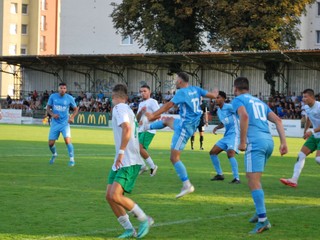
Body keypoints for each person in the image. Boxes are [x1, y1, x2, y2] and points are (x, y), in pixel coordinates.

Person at [144, 72, 218, 198]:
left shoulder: (182, 92)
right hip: (188, 123)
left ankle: (187, 184)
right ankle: (145, 127)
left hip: (185, 128)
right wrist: (215, 91)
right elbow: (213, 95)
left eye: (176, 79)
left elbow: (169, 105)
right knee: (167, 120)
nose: (175, 81)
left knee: (174, 158)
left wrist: (153, 115)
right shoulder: (195, 89)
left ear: (181, 81)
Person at [232, 77, 287, 234]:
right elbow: (278, 120)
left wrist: (242, 142)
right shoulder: (260, 102)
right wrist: (284, 143)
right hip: (268, 142)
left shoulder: (238, 100)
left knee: (253, 181)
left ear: (235, 88)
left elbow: (244, 116)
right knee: (255, 179)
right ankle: (259, 211)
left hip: (255, 143)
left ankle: (263, 221)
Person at [106, 84, 153, 239]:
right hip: (122, 160)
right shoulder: (127, 109)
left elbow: (126, 129)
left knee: (115, 195)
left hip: (127, 160)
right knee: (109, 196)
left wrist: (120, 152)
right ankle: (129, 229)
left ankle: (144, 219)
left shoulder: (118, 108)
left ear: (114, 96)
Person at [280, 89, 320, 188]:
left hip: (315, 133)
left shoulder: (319, 106)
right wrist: (305, 131)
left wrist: (312, 131)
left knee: (318, 159)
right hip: (315, 135)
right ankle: (294, 180)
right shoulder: (306, 107)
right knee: (301, 155)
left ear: (312, 97)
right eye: (303, 96)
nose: (303, 99)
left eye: (306, 96)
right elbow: (309, 118)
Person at [210, 91, 240, 184]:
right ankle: (220, 174)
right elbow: (224, 122)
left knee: (230, 154)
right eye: (216, 98)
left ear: (223, 98)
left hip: (235, 134)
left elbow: (241, 112)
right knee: (212, 152)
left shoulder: (229, 107)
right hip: (227, 136)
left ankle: (236, 178)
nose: (216, 99)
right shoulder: (219, 111)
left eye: (218, 97)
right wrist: (217, 127)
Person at [46, 82, 78, 166]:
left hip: (65, 123)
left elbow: (76, 109)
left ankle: (72, 159)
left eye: (64, 88)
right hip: (55, 123)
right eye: (61, 88)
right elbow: (48, 108)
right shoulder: (53, 96)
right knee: (50, 143)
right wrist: (52, 114)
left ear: (66, 89)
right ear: (58, 89)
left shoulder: (69, 98)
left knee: (67, 141)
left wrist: (71, 117)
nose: (62, 90)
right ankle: (54, 154)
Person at [136, 84, 160, 176]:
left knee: (140, 148)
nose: (142, 93)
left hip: (149, 129)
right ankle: (143, 166)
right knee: (135, 148)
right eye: (141, 91)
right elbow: (137, 118)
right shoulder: (141, 103)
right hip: (140, 129)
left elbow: (158, 115)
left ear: (149, 92)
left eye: (144, 91)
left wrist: (148, 120)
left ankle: (153, 166)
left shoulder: (153, 102)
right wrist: (141, 112)